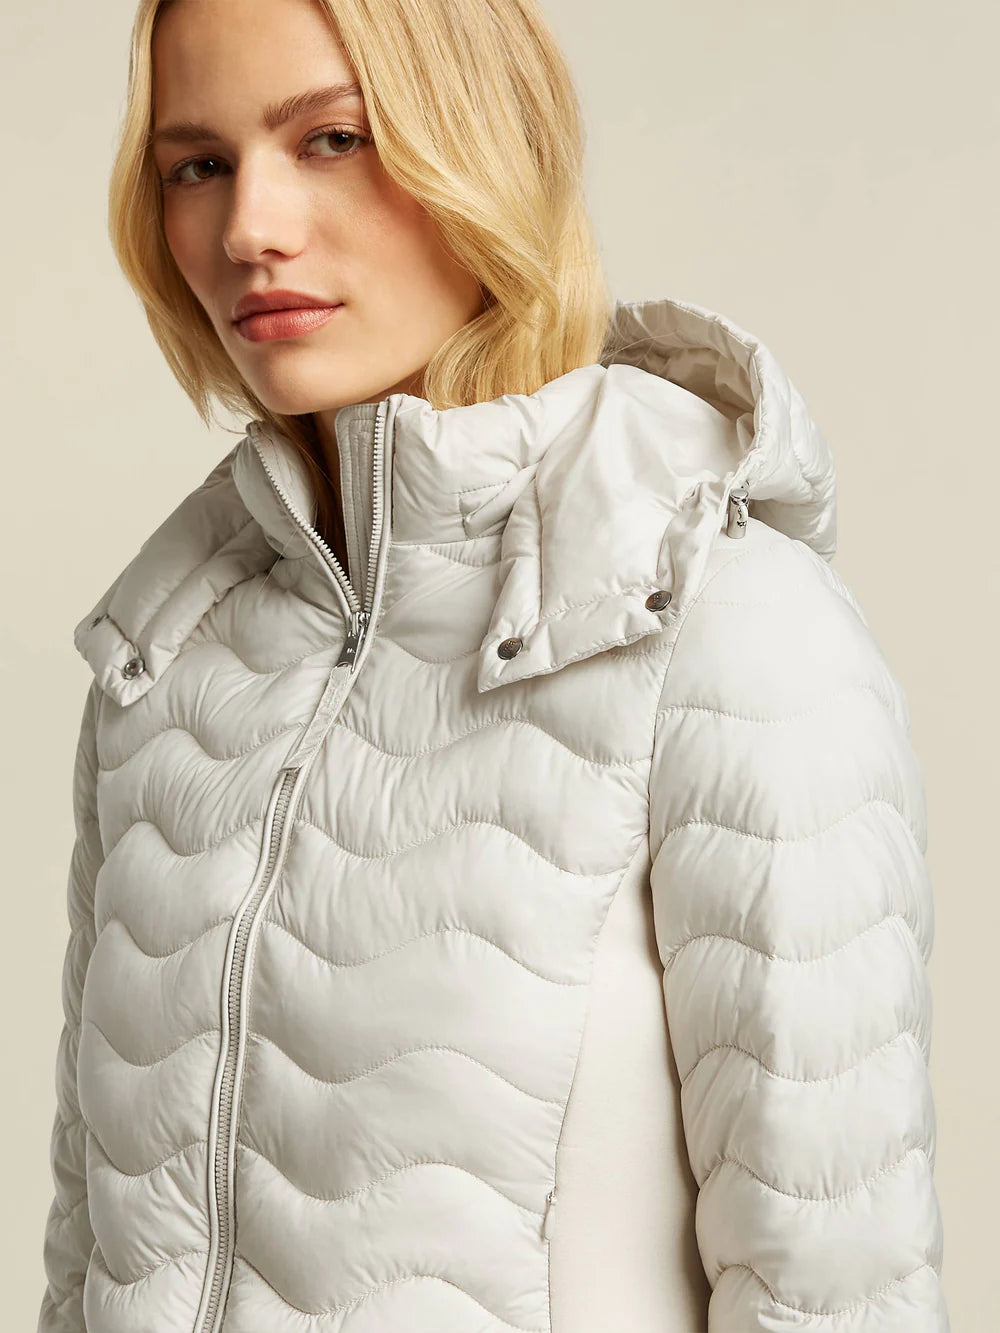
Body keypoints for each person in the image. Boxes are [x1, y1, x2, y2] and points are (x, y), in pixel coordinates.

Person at [37, 1, 950, 1330]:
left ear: (482, 143)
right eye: (198, 165)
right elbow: (88, 1255)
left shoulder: (726, 631)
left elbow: (837, 1288)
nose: (248, 229)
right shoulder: (165, 664)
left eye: (332, 139)